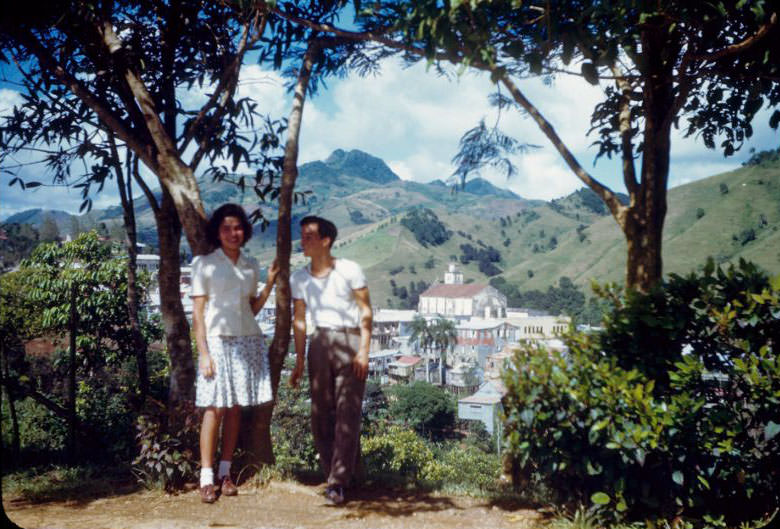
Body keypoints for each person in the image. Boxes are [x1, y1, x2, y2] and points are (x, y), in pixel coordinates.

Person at [191, 203, 278, 503]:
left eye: (238, 227)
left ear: (245, 230)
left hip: (247, 341)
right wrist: (203, 353)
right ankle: (205, 477)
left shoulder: (251, 265)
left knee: (236, 408)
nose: (233, 233)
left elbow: (250, 308)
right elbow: (198, 314)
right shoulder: (203, 264)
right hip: (216, 341)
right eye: (226, 228)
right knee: (214, 408)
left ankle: (225, 474)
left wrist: (269, 285)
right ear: (218, 231)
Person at [289, 216, 373, 505]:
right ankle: (333, 473)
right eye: (302, 236)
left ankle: (338, 481)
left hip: (349, 341)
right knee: (320, 413)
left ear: (326, 240)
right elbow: (299, 320)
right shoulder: (299, 278)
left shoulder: (350, 270)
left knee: (347, 411)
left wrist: (363, 350)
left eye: (309, 236)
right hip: (320, 342)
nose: (303, 242)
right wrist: (299, 359)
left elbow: (365, 311)